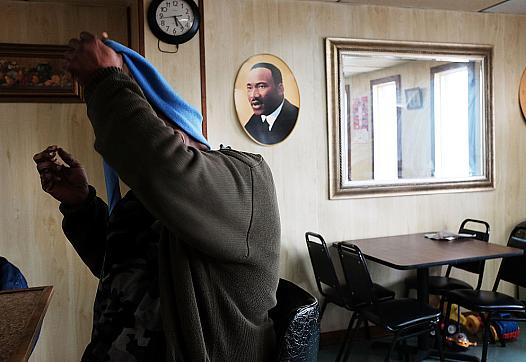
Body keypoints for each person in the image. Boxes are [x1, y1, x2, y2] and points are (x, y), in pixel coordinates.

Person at [34, 32, 281, 361]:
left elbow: (155, 158)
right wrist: (80, 204)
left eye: (145, 120)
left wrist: (103, 80)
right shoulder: (149, 197)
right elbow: (118, 268)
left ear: (175, 130)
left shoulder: (246, 179)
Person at [244, 62, 299, 145]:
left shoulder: (295, 117)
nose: (254, 95)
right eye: (249, 88)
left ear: (280, 89)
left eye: (261, 86)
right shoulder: (250, 126)